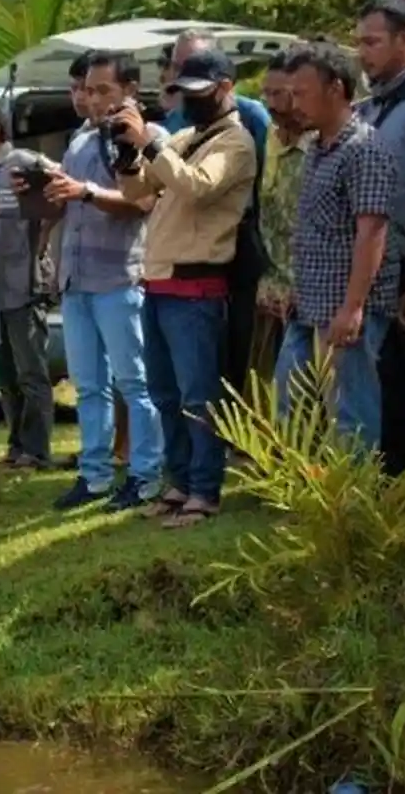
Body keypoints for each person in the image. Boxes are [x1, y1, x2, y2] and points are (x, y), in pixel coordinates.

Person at [114, 49, 257, 527]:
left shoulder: (234, 143)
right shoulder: (185, 136)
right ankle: (179, 482)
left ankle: (205, 490)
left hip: (198, 286)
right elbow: (137, 192)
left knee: (199, 396)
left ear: (225, 88)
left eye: (199, 94)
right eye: (184, 93)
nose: (189, 102)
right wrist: (127, 151)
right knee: (165, 394)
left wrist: (151, 145)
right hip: (159, 284)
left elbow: (196, 186)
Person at [44, 51, 165, 511]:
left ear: (130, 91)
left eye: (103, 91)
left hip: (121, 276)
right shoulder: (79, 142)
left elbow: (145, 202)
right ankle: (93, 475)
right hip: (77, 280)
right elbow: (68, 203)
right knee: (88, 386)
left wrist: (87, 192)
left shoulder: (151, 137)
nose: (92, 99)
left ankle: (146, 475)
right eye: (88, 90)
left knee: (135, 382)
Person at [275, 42, 397, 449]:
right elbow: (317, 227)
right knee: (289, 400)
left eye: (303, 93)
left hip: (348, 310)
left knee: (351, 413)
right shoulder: (317, 148)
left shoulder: (364, 149)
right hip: (310, 303)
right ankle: (306, 496)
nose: (294, 104)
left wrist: (354, 307)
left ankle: (353, 505)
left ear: (337, 89)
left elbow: (372, 231)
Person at [164, 30, 273, 404]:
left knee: (237, 348)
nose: (184, 83)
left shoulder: (251, 118)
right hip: (181, 249)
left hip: (237, 246)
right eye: (177, 68)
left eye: (191, 72)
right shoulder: (178, 119)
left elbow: (240, 183)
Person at [0, 96, 57, 472]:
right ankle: (17, 446)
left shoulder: (24, 163)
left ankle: (37, 449)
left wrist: (45, 235)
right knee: (7, 377)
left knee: (32, 372)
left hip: (23, 283)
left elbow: (62, 192)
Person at [358, 0, 405, 474]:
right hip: (382, 272)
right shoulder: (373, 106)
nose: (362, 53)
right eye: (358, 42)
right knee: (390, 396)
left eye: (372, 42)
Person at [253, 49, 314, 382]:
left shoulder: (320, 142)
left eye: (280, 94)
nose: (271, 103)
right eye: (267, 93)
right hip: (273, 290)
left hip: (313, 291)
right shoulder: (271, 138)